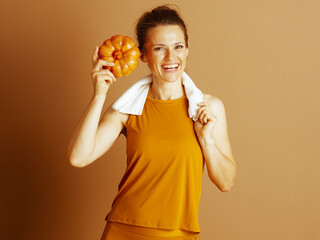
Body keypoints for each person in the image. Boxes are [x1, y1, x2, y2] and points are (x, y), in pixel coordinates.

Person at [67, 5, 236, 240]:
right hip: (123, 230)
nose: (171, 57)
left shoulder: (208, 108)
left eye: (178, 47)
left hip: (180, 233)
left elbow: (226, 182)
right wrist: (99, 95)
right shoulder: (127, 109)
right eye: (159, 48)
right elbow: (78, 157)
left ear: (187, 50)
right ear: (143, 55)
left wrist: (206, 140)